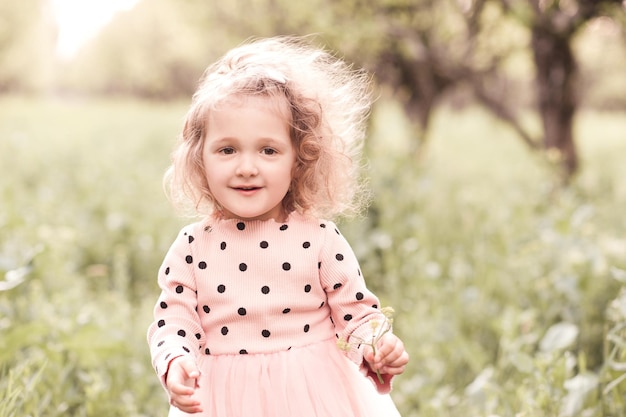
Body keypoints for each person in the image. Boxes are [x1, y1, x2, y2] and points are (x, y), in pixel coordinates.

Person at [147, 36, 409, 417]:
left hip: (313, 394)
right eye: (227, 149)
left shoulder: (319, 239)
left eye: (268, 150)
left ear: (298, 160)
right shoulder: (192, 247)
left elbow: (356, 316)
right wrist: (174, 360)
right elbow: (174, 319)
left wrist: (375, 344)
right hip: (225, 399)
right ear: (200, 158)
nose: (247, 167)